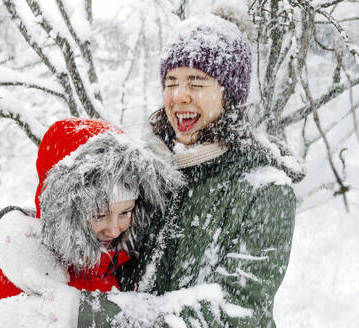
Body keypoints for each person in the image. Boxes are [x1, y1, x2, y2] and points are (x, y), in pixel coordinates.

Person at [23, 5, 303, 328]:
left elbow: (235, 312)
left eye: (196, 82)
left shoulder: (264, 188)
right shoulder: (149, 169)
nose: (178, 96)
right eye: (171, 82)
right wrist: (23, 229)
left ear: (230, 94)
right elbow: (98, 235)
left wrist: (94, 314)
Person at [0, 118, 183, 327]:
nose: (114, 230)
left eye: (125, 212)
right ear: (64, 213)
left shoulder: (128, 266)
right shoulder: (19, 274)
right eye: (99, 216)